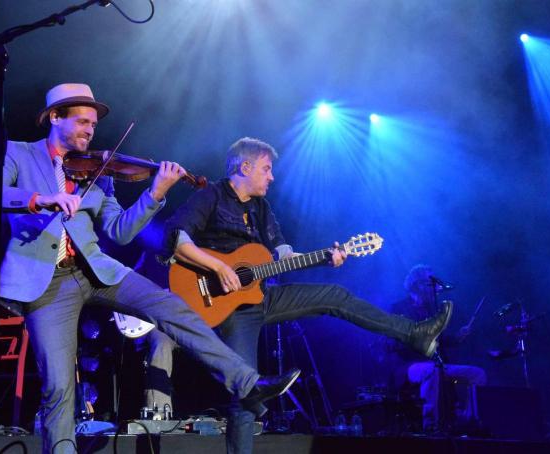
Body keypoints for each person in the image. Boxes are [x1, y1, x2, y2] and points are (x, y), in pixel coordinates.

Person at [0, 84, 298, 454]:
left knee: (171, 307)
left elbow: (119, 231)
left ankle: (247, 383)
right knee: (59, 387)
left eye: (93, 125)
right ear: (55, 117)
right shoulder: (19, 153)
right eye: (82, 122)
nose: (90, 131)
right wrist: (40, 199)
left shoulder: (101, 171)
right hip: (47, 282)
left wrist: (155, 193)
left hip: (98, 270)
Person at [161, 137, 454, 454]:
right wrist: (219, 267)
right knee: (247, 392)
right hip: (223, 305)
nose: (272, 176)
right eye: (266, 169)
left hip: (261, 297)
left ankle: (415, 334)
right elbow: (176, 239)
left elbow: (284, 254)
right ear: (244, 167)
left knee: (335, 296)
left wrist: (327, 256)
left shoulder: (262, 207)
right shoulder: (211, 196)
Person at [390, 264, 487, 432]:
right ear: (419, 284)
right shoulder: (398, 308)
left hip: (437, 364)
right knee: (431, 371)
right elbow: (393, 343)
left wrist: (457, 337)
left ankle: (469, 420)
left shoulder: (431, 310)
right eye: (431, 283)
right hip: (410, 366)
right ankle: (430, 424)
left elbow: (440, 340)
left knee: (477, 374)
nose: (435, 288)